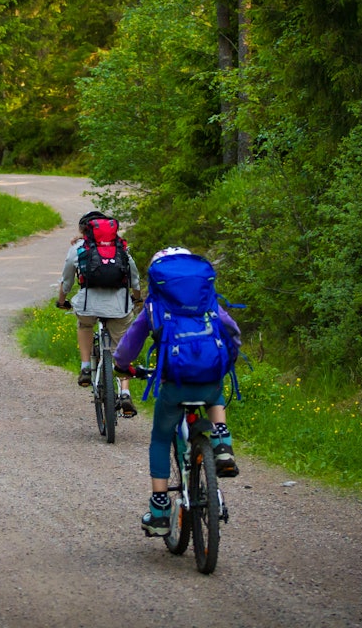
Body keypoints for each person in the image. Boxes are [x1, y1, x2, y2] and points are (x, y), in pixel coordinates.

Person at [112, 247, 241, 537]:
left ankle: (159, 509)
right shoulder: (207, 302)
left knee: (159, 438)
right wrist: (226, 361)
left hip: (175, 384)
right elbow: (232, 331)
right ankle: (221, 440)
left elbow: (129, 346)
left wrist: (122, 366)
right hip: (209, 381)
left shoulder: (155, 307)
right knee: (214, 389)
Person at [56, 210, 142, 417]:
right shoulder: (121, 247)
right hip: (119, 306)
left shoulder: (78, 248)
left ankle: (86, 367)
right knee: (120, 345)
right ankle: (124, 392)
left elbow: (67, 280)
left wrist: (61, 302)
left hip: (89, 304)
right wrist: (137, 298)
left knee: (85, 325)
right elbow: (135, 278)